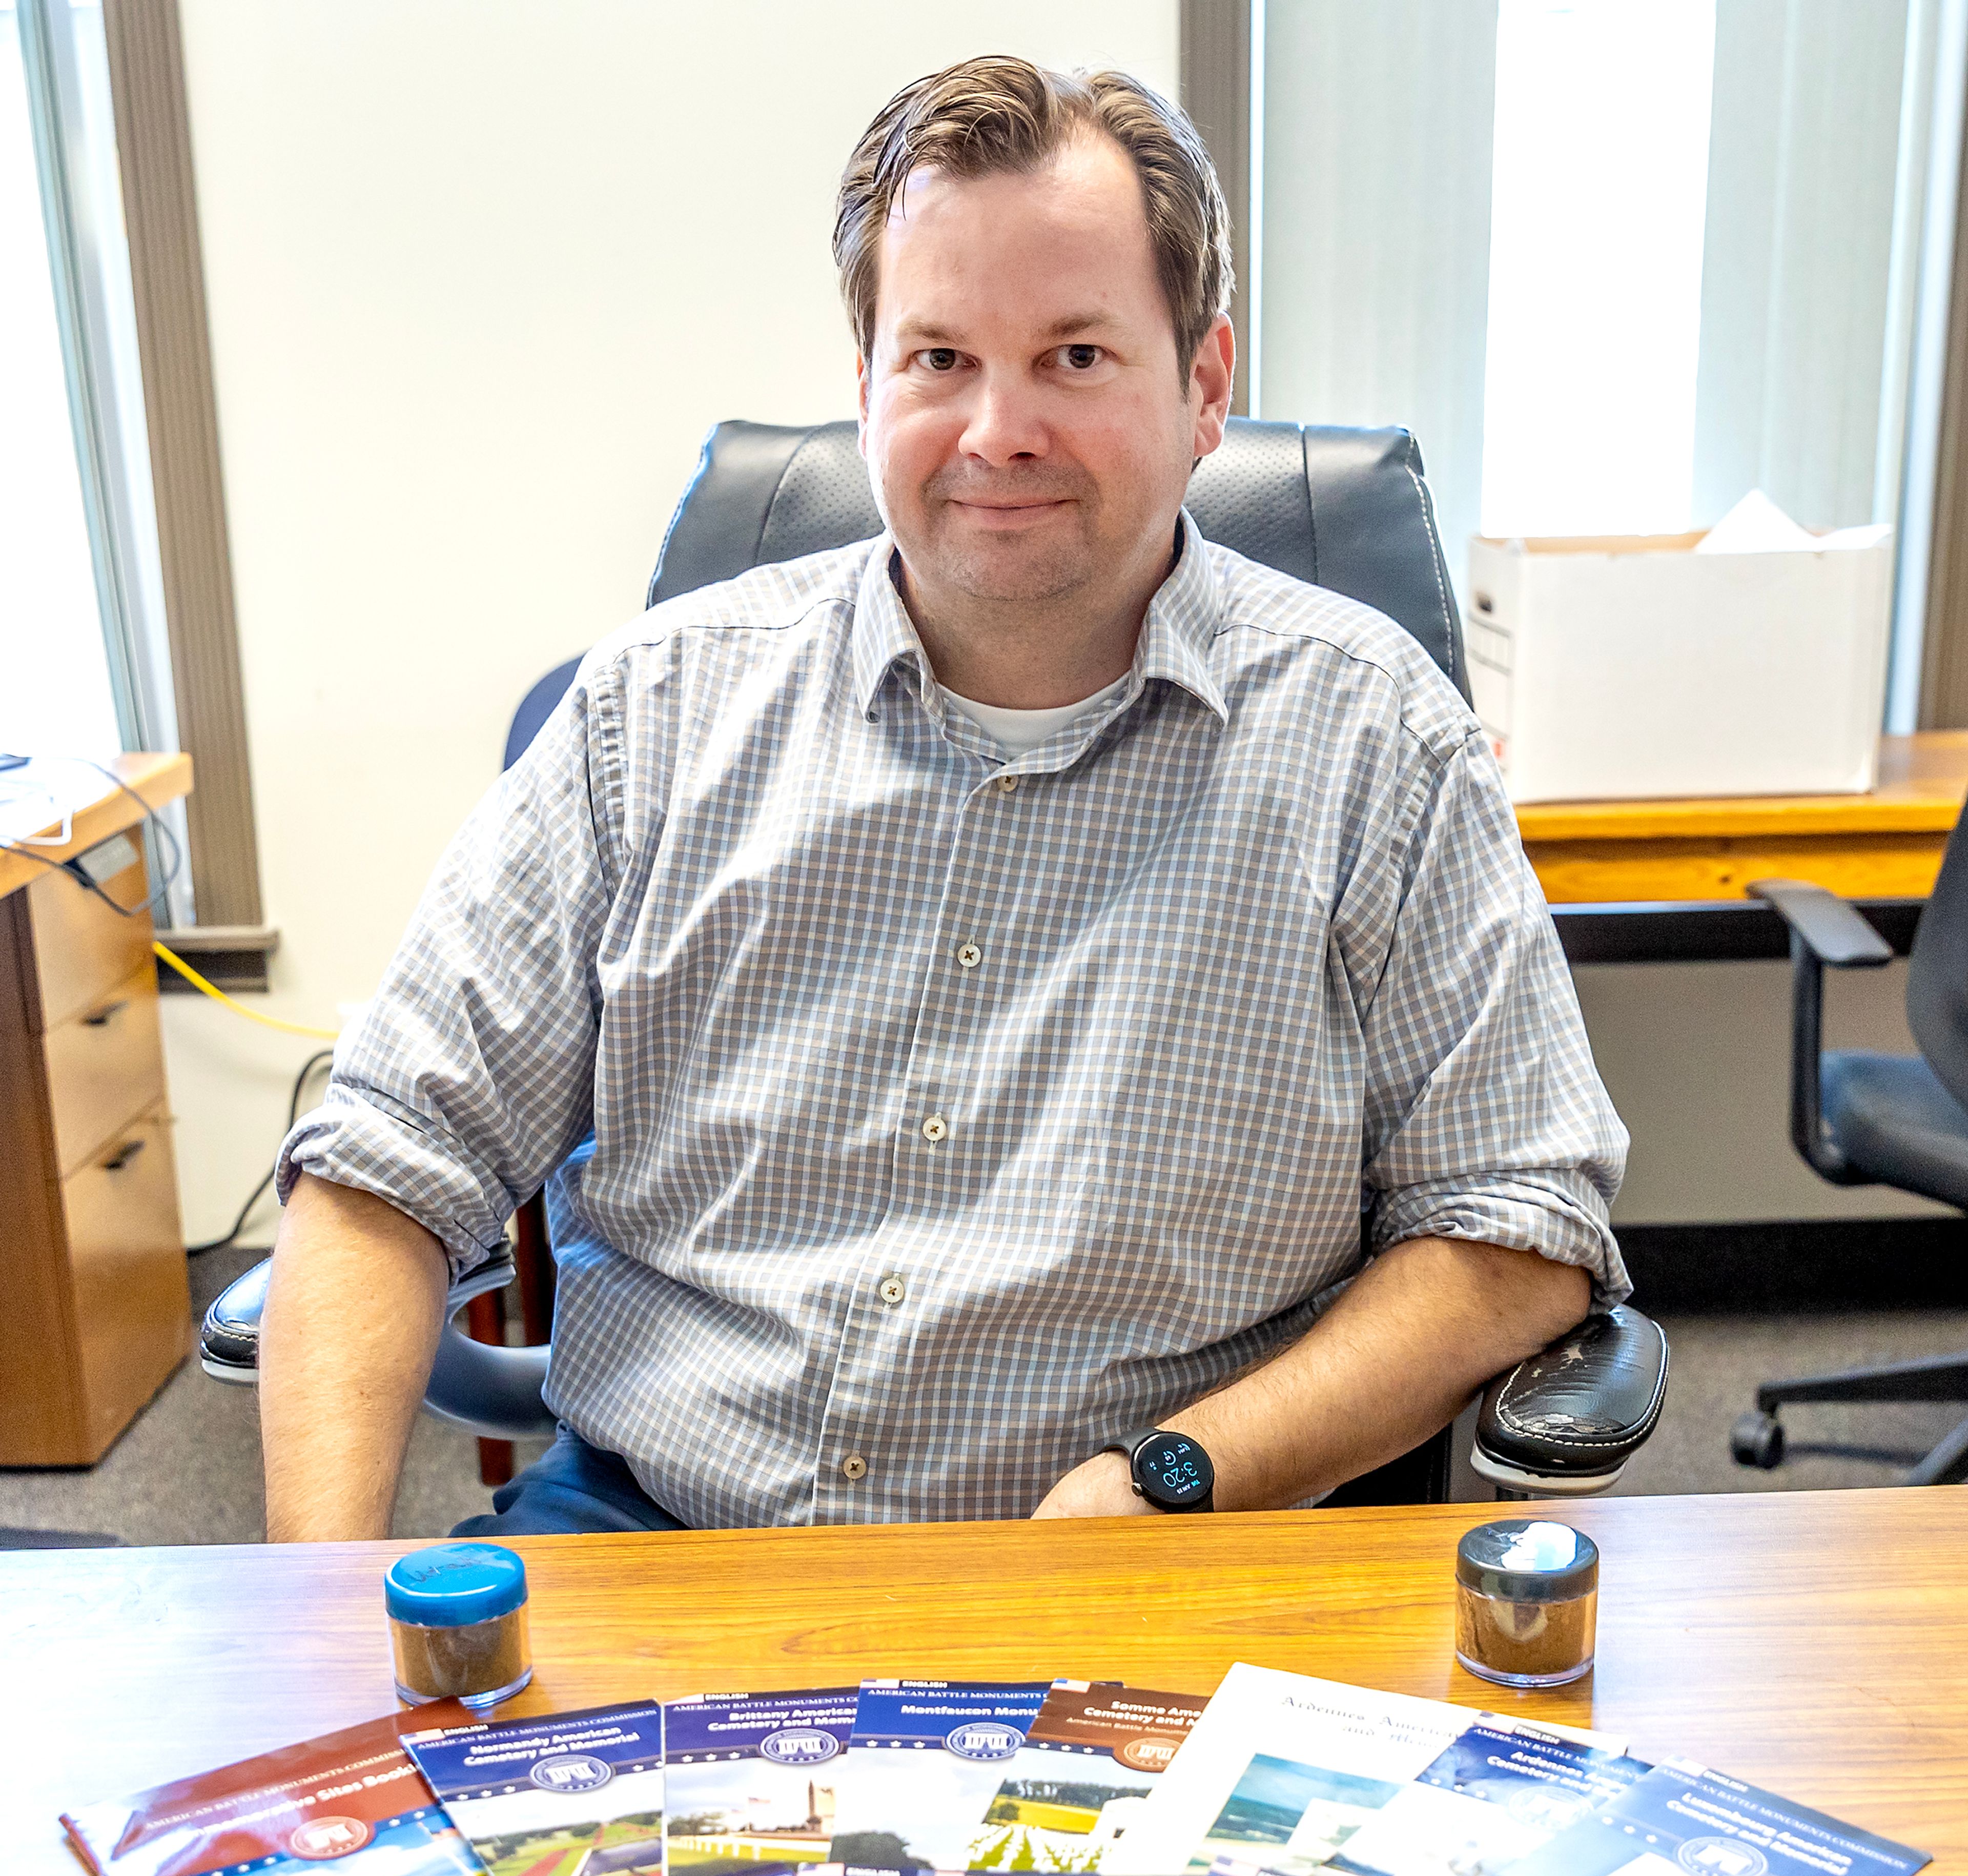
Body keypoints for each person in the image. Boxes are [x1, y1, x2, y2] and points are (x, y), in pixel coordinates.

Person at [262, 55, 1628, 1543]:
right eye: (938, 360)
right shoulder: (646, 719)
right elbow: (381, 1171)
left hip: (1157, 1563)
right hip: (658, 1547)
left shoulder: (1374, 746)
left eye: (1077, 358)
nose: (998, 432)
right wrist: (321, 1612)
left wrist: (1179, 1472)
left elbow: (1516, 1229)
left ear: (1207, 387)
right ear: (865, 387)